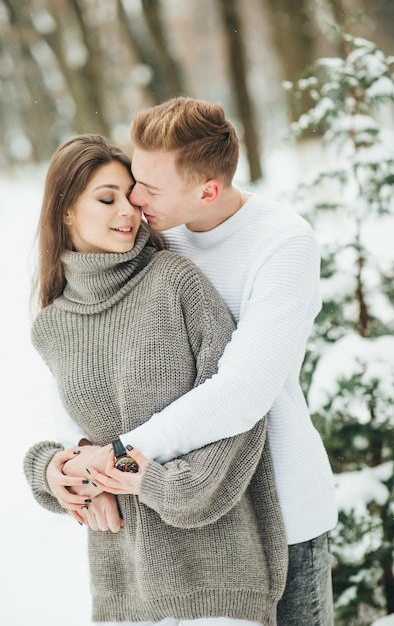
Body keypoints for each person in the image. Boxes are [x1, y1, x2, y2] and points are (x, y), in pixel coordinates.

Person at [49, 98, 338, 626]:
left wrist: (118, 457)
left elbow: (242, 390)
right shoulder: (152, 234)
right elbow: (87, 355)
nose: (134, 200)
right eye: (135, 178)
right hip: (188, 527)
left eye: (149, 189)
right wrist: (71, 463)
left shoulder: (282, 243)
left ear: (206, 190)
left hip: (284, 510)